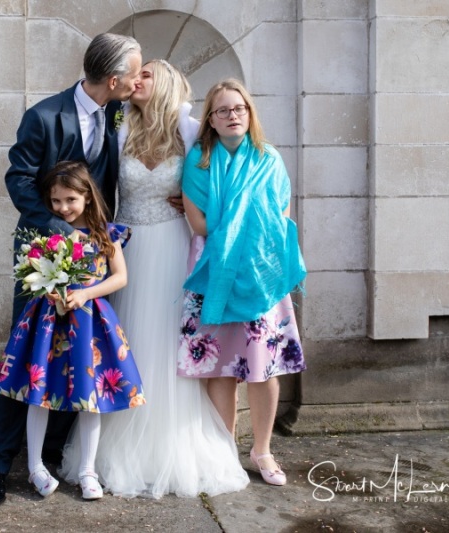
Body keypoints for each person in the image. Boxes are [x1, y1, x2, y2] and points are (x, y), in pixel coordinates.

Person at [60, 60, 249, 498]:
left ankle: (171, 444)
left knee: (167, 341)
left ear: (163, 83)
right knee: (123, 340)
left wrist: (195, 204)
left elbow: (224, 169)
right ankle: (108, 445)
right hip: (126, 247)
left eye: (144, 74)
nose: (135, 80)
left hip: (171, 245)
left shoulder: (189, 127)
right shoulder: (120, 127)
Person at [0, 33, 142, 509]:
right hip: (41, 254)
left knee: (80, 359)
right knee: (26, 357)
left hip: (95, 258)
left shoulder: (115, 111)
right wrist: (61, 232)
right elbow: (18, 177)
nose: (138, 79)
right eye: (134, 72)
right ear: (114, 79)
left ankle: (51, 457)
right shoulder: (44, 116)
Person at [0, 161, 145, 501]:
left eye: (71, 200)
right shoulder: (49, 232)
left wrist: (86, 293)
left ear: (87, 196)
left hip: (90, 321)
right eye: (56, 201)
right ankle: (35, 467)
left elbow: (120, 277)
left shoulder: (106, 233)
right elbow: (32, 272)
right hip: (48, 322)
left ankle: (88, 471)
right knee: (39, 392)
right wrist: (49, 288)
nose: (63, 207)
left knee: (89, 397)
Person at [179, 78, 307, 487]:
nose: (232, 115)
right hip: (215, 273)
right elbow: (198, 221)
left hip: (261, 275)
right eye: (222, 110)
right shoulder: (199, 160)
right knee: (221, 367)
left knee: (263, 367)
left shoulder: (269, 157)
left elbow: (280, 211)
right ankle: (225, 452)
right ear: (210, 121)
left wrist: (246, 237)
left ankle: (263, 450)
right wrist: (238, 229)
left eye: (239, 109)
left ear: (249, 114)